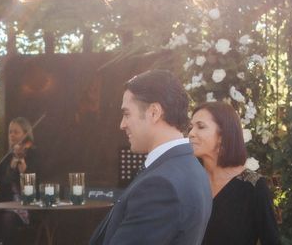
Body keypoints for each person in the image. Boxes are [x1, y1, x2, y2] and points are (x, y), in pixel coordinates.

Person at [89, 69, 212, 245]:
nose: (122, 124)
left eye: (127, 114)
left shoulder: (162, 185)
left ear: (154, 112)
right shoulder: (190, 167)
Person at [189, 101, 280, 245]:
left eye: (200, 127)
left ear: (222, 135)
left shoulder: (254, 186)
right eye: (191, 127)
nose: (191, 133)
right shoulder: (189, 180)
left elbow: (271, 240)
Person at [0, 117, 39, 245]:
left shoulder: (34, 155)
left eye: (16, 132)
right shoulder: (8, 157)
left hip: (25, 205)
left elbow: (35, 184)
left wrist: (24, 169)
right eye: (10, 132)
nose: (12, 135)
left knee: (8, 219)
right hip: (5, 204)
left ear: (26, 135)